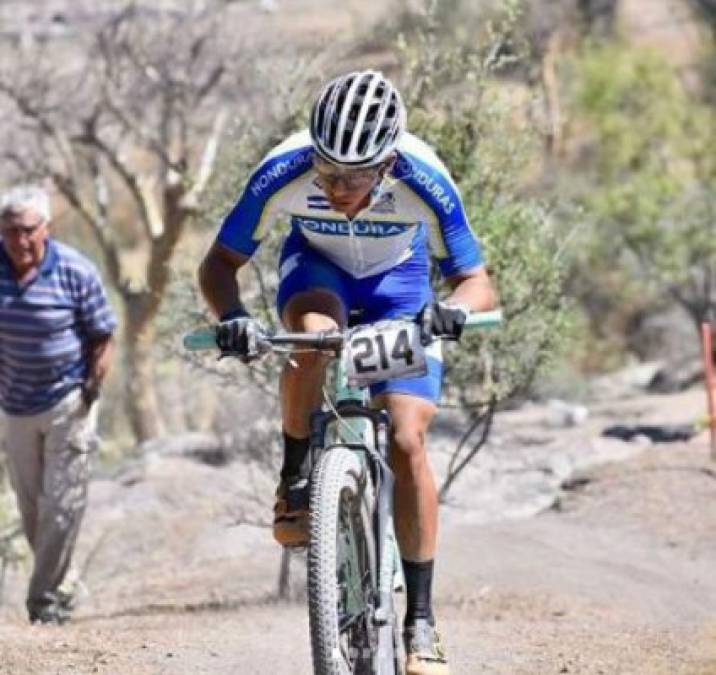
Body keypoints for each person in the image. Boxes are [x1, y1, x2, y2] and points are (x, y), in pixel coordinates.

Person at [199, 70, 496, 674]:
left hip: (401, 286)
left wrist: (455, 310)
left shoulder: (425, 178)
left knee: (409, 437)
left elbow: (476, 279)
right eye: (326, 171)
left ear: (388, 163)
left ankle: (421, 621)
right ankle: (294, 479)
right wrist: (233, 316)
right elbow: (220, 262)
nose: (335, 187)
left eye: (354, 176)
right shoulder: (283, 169)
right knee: (314, 340)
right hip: (318, 271)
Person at [0, 185, 117, 624]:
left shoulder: (74, 270)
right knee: (33, 509)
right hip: (15, 404)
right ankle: (63, 584)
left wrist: (92, 387)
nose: (20, 241)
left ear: (45, 229)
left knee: (62, 505)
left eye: (28, 230)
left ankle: (43, 602)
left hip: (69, 398)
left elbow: (103, 335)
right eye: (10, 231)